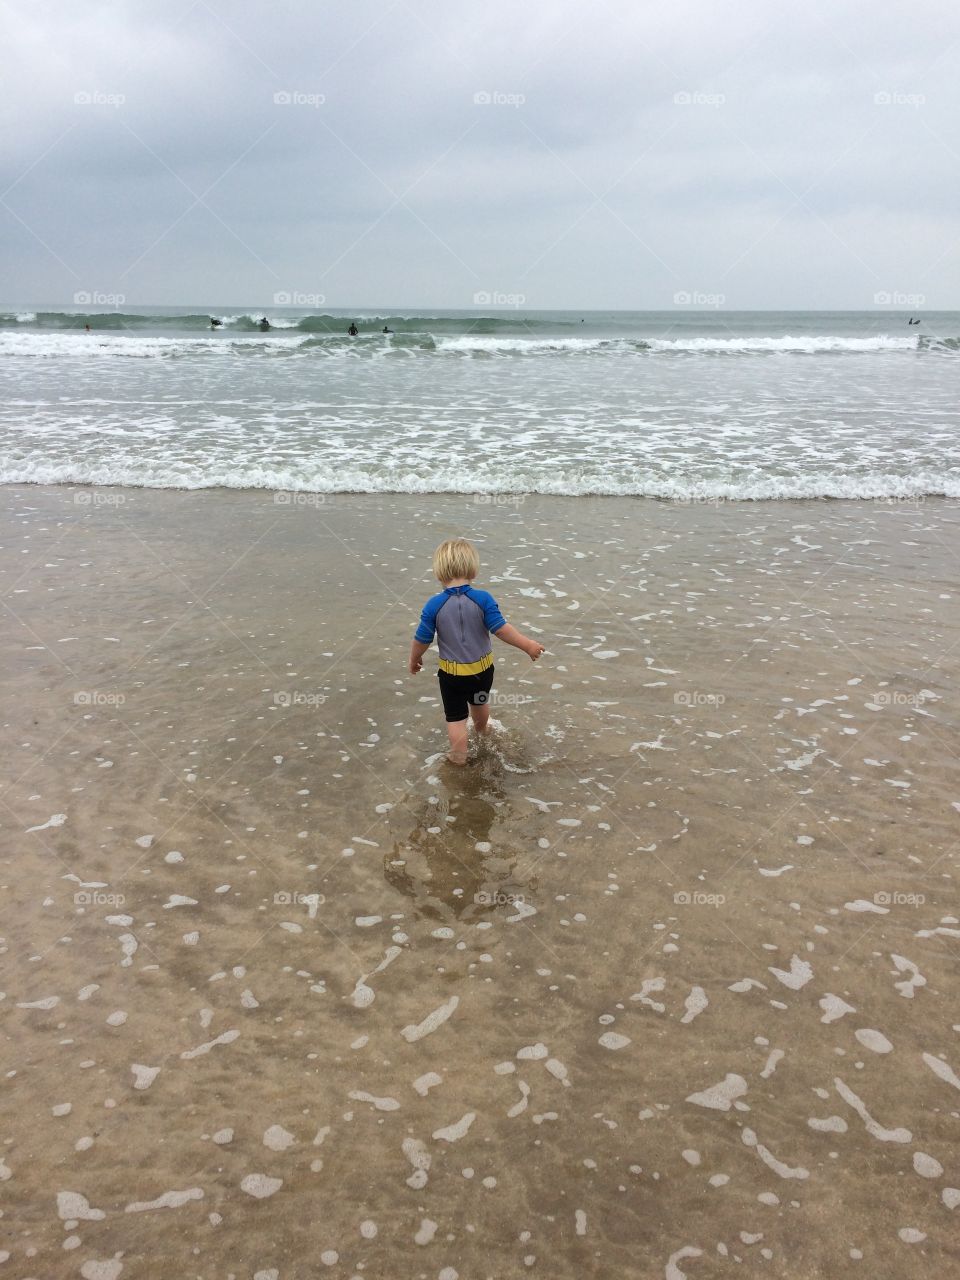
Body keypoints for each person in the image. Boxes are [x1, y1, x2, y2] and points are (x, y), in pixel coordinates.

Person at [409, 538, 545, 765]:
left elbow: (422, 638)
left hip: (451, 676)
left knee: (455, 720)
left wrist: (415, 658)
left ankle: (459, 760)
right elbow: (501, 630)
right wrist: (528, 645)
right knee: (480, 703)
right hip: (482, 672)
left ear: (439, 572)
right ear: (472, 569)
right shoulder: (483, 599)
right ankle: (483, 731)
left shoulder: (434, 605)